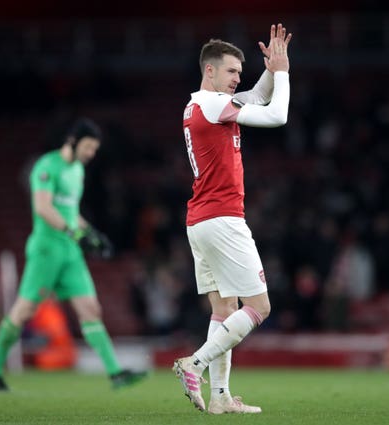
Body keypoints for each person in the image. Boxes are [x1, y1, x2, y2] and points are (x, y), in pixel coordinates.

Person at [173, 23, 292, 414]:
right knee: (259, 307)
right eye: (231, 72)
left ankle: (220, 397)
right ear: (209, 70)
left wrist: (271, 69)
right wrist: (285, 73)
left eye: (240, 72)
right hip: (223, 218)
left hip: (200, 220)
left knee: (224, 310)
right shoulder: (211, 104)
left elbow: (257, 95)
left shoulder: (199, 105)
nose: (237, 79)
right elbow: (276, 115)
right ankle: (196, 363)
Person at [0, 117, 147, 391]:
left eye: (94, 149)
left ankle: (115, 374)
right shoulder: (46, 167)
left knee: (90, 310)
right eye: (88, 147)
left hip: (70, 253)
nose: (91, 154)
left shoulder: (77, 171)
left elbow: (71, 213)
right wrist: (75, 233)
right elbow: (43, 208)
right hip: (46, 250)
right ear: (73, 142)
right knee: (23, 312)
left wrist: (93, 234)